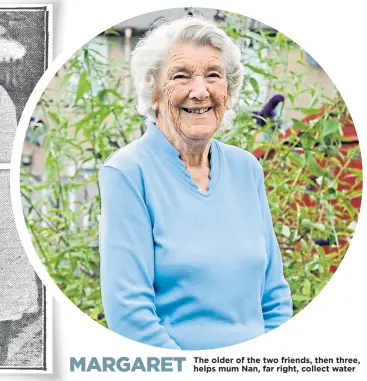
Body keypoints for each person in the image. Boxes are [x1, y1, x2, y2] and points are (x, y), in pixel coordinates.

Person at [98, 16, 293, 350]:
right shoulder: (128, 173)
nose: (200, 91)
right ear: (153, 91)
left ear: (227, 92)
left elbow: (274, 295)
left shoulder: (246, 168)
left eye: (213, 75)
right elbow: (130, 315)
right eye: (181, 76)